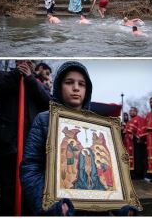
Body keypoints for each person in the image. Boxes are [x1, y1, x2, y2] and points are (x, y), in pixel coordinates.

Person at [20, 61, 137, 215]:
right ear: (59, 87)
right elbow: (31, 168)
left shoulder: (101, 127)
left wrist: (123, 207)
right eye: (69, 82)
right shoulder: (44, 120)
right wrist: (49, 206)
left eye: (81, 84)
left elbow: (112, 173)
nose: (76, 88)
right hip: (63, 209)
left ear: (87, 90)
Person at [0, 60, 51, 215]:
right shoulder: (1, 75)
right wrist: (16, 75)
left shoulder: (39, 84)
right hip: (7, 146)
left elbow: (49, 103)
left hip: (33, 148)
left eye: (32, 60)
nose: (29, 61)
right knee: (9, 193)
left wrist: (29, 79)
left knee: (31, 194)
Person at [122, 107, 145, 179]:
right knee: (130, 157)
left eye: (132, 111)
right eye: (130, 111)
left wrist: (139, 137)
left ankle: (138, 174)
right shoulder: (129, 121)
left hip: (135, 140)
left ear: (136, 112)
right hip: (128, 141)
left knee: (137, 157)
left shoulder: (139, 118)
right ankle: (131, 173)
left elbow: (141, 128)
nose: (131, 112)